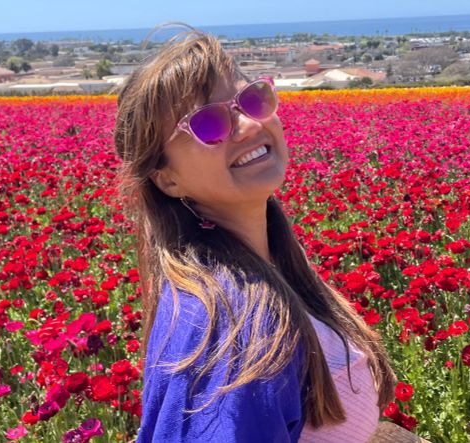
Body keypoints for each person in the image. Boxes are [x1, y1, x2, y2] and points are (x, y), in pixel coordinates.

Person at [115, 28, 401, 443]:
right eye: (209, 123)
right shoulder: (233, 327)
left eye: (252, 100)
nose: (249, 125)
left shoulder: (265, 276)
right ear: (167, 179)